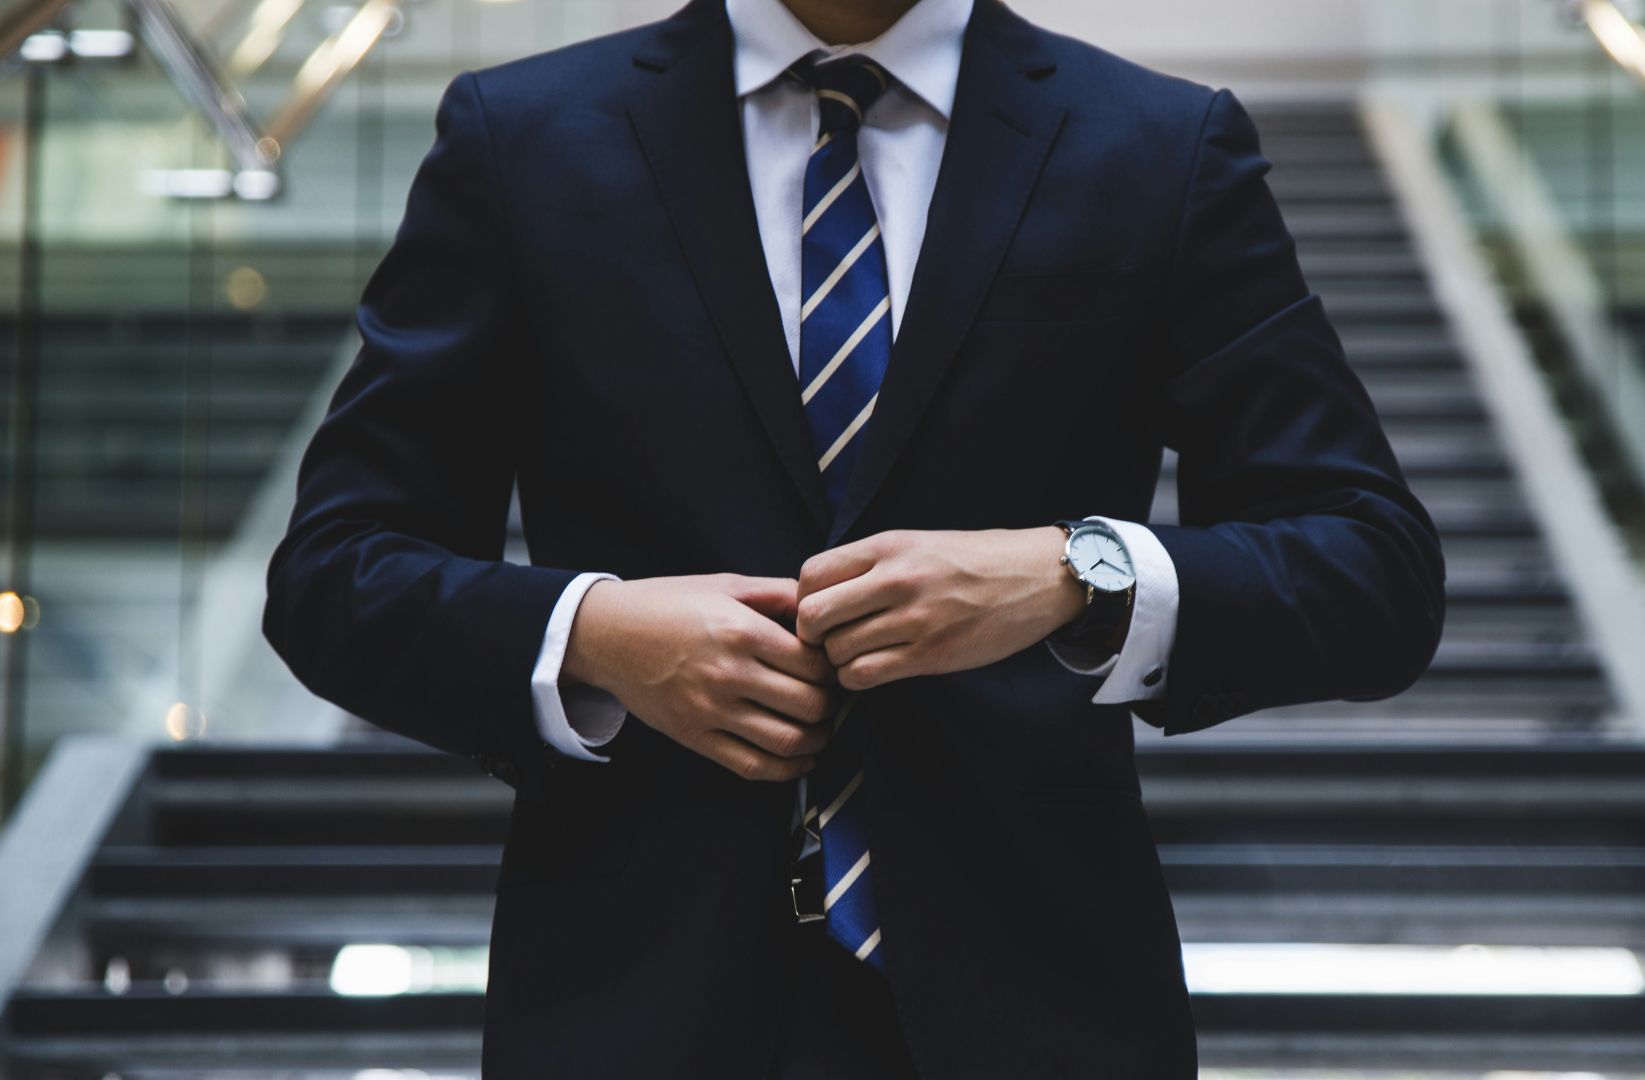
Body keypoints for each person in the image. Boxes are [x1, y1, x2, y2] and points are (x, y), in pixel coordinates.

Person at [262, 0, 1445, 1075]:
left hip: (1043, 1006)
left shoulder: (1159, 146)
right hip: (631, 1003)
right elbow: (335, 570)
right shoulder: (519, 137)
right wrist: (595, 634)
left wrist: (1075, 571)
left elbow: (1372, 565)